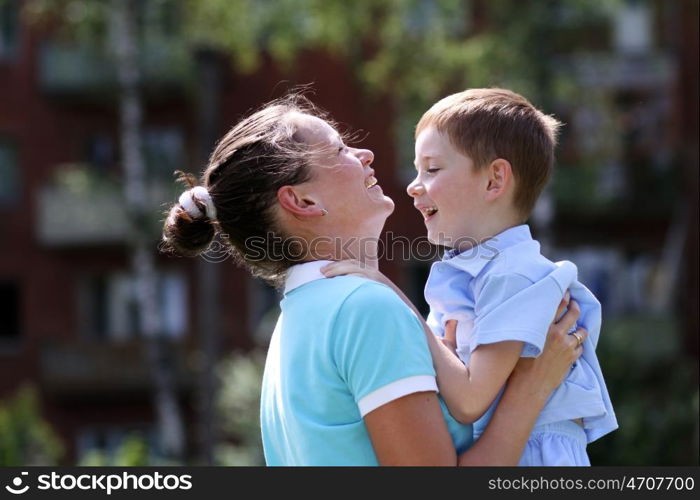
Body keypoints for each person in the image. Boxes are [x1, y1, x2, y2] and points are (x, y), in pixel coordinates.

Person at [161, 94, 587, 466]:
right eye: (340, 148)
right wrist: (531, 389)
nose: (364, 153)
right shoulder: (366, 308)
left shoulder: (294, 321)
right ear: (303, 200)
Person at [322, 88, 618, 466]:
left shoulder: (514, 274)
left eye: (432, 169)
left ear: (495, 180)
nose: (414, 185)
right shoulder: (475, 271)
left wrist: (390, 295)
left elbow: (468, 401)